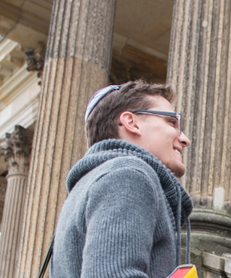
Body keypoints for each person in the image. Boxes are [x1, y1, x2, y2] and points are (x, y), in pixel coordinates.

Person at [51, 80, 193, 278]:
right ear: (131, 122)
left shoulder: (93, 185)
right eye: (171, 122)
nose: (185, 139)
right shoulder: (128, 176)